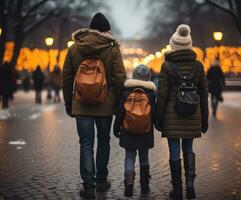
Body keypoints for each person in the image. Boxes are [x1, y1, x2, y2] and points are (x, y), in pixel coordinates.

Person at [62, 12, 126, 199]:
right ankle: (101, 181)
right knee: (104, 141)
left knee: (86, 144)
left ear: (90, 29)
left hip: (80, 104)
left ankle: (88, 185)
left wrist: (69, 102)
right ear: (106, 31)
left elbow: (66, 78)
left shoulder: (74, 48)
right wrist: (114, 100)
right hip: (105, 104)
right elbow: (120, 78)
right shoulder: (112, 48)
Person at [156, 24, 209, 200]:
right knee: (188, 147)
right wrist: (205, 119)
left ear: (173, 45)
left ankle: (177, 190)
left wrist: (159, 116)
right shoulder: (199, 66)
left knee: (173, 150)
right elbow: (203, 94)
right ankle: (190, 186)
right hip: (192, 113)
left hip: (172, 114)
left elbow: (162, 94)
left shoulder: (167, 66)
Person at [113, 65, 156, 197]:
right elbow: (154, 113)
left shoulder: (126, 92)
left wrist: (116, 128)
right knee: (144, 157)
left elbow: (120, 112)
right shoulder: (151, 94)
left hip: (128, 129)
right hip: (145, 131)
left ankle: (129, 184)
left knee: (129, 157)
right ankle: (144, 186)